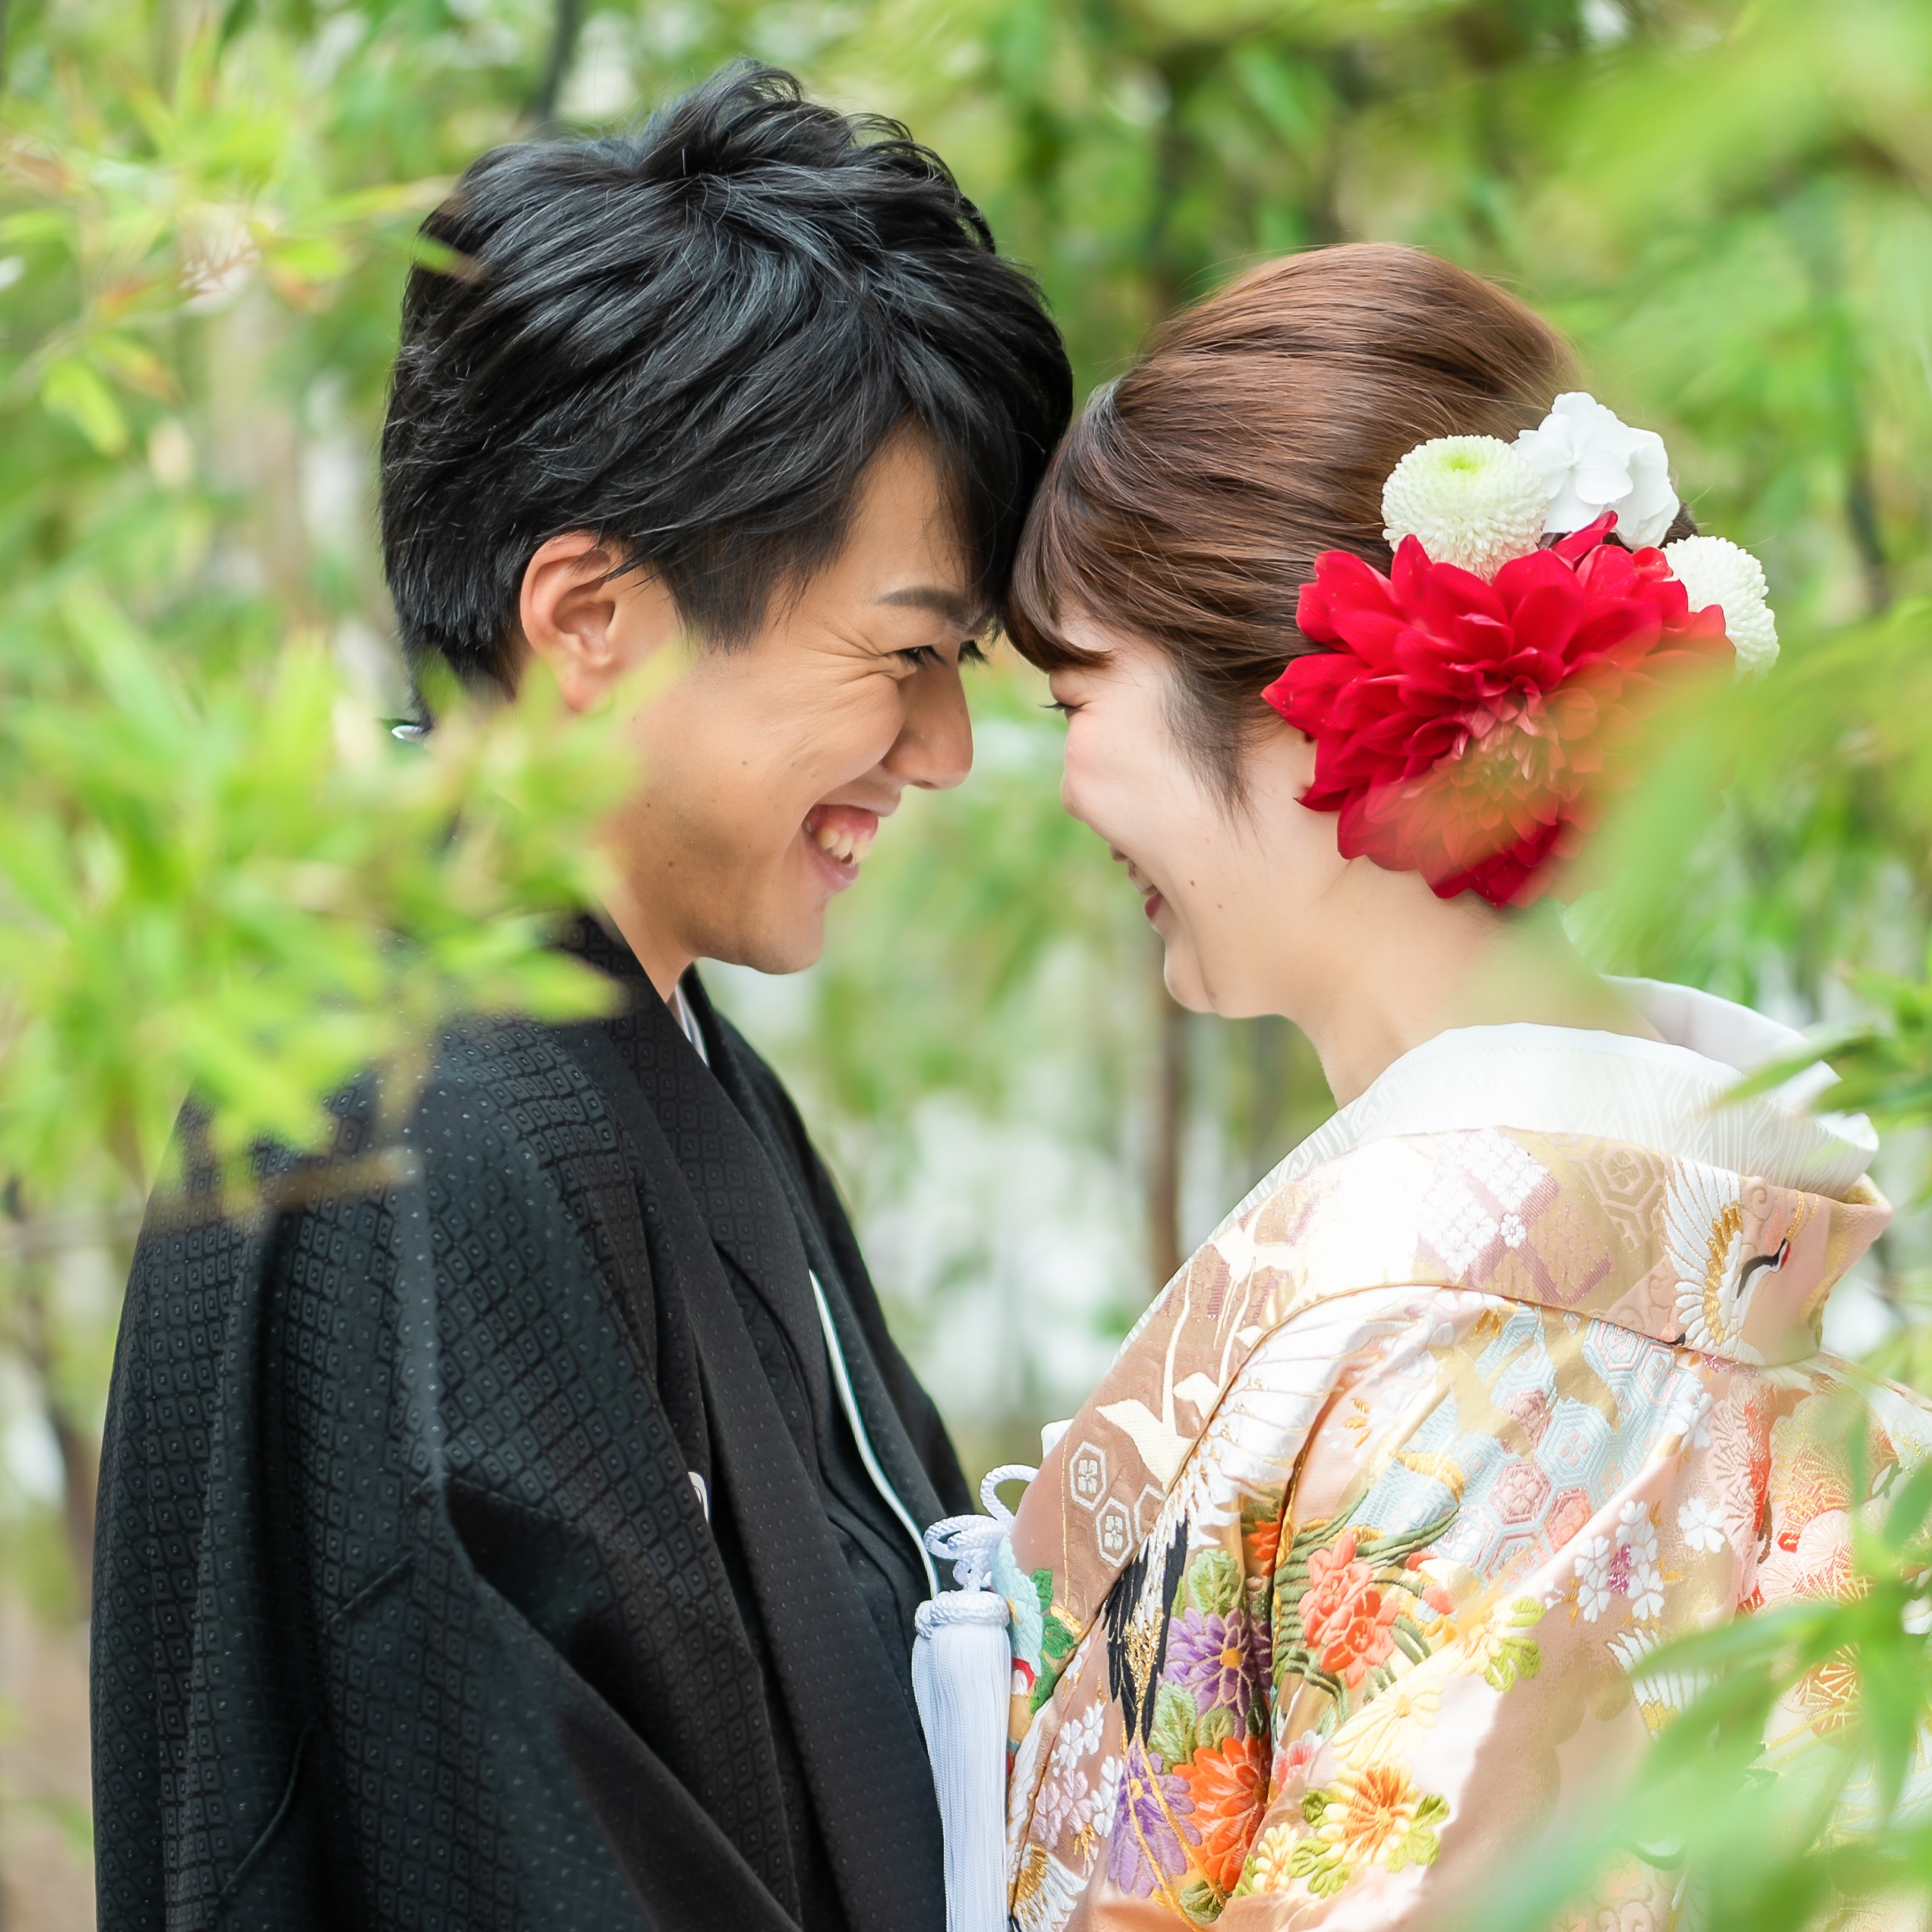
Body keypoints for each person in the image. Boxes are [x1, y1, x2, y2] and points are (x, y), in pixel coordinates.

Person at [90, 64, 1070, 1932]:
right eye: (905, 654)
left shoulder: (659, 1055)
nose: (944, 747)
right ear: (589, 620)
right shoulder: (410, 1124)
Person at [977, 243, 1931, 1928]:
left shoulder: (1443, 1317)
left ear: (1302, 702)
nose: (1065, 785)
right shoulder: (1713, 1234)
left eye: (1077, 696)